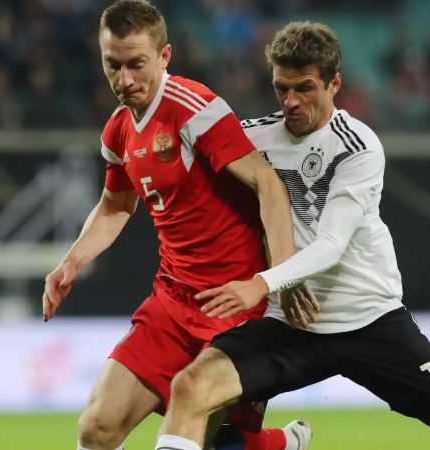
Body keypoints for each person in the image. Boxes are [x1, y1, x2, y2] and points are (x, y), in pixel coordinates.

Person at [152, 21, 430, 450]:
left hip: (369, 319)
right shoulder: (252, 138)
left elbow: (331, 244)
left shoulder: (357, 146)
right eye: (281, 88)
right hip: (288, 324)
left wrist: (263, 282)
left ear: (334, 83)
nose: (290, 101)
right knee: (192, 389)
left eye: (305, 88)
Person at [41, 2, 311, 449]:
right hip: (171, 302)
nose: (124, 80)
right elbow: (114, 206)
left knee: (198, 440)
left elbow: (267, 183)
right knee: (96, 429)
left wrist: (278, 277)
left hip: (233, 309)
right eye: (113, 65)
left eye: (136, 64)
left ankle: (276, 443)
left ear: (164, 56)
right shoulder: (118, 130)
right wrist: (72, 262)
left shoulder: (193, 108)